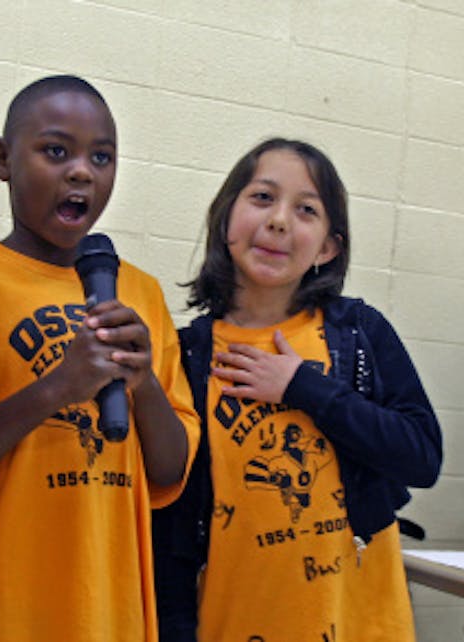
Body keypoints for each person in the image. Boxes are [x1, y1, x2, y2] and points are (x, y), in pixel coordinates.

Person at [0, 75, 199, 642]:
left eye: (102, 157)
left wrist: (142, 385)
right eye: (55, 151)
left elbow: (170, 473)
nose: (81, 172)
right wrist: (55, 388)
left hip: (107, 611)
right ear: (1, 159)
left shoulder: (137, 294)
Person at [152, 138, 443, 642]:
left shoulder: (360, 332)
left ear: (328, 246)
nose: (280, 220)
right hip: (233, 619)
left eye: (306, 209)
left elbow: (421, 457)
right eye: (262, 198)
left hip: (357, 621)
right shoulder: (186, 354)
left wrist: (304, 386)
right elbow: (171, 525)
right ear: (226, 220)